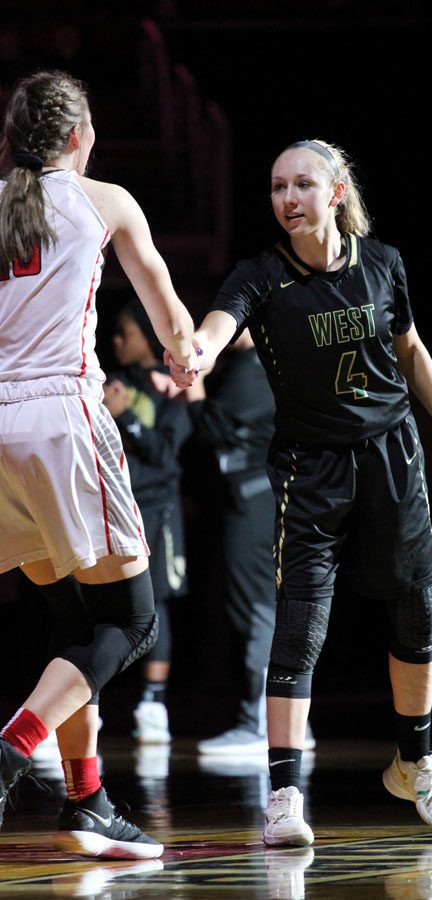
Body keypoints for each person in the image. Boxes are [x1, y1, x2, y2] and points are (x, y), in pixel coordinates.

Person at [167, 138, 432, 846]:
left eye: (302, 185)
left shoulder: (383, 264)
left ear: (335, 192)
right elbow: (220, 326)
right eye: (278, 187)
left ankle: (416, 766)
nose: (288, 199)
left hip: (393, 456)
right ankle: (283, 794)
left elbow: (411, 349)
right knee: (301, 623)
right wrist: (199, 351)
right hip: (313, 469)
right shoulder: (261, 277)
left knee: (416, 607)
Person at [0, 70, 197, 858]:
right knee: (132, 618)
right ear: (79, 137)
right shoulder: (103, 200)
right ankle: (13, 747)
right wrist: (188, 358)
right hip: (64, 419)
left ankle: (87, 799)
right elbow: (167, 307)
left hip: (2, 426)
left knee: (76, 626)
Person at [152, 329, 315, 755]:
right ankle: (285, 724)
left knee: (255, 607)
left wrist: (195, 388)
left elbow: (214, 429)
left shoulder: (258, 367)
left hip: (255, 501)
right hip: (255, 500)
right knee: (259, 605)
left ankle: (260, 723)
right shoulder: (254, 365)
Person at [104, 299, 192, 745]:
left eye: (126, 331)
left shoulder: (169, 390)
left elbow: (166, 453)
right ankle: (89, 701)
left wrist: (128, 420)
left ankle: (154, 703)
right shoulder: (107, 384)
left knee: (157, 600)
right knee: (101, 602)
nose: (118, 340)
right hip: (112, 507)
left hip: (158, 507)